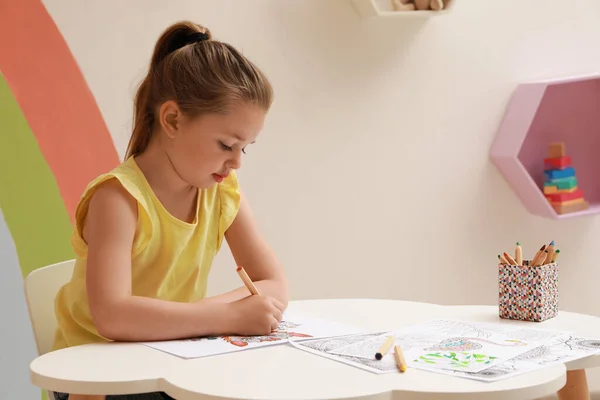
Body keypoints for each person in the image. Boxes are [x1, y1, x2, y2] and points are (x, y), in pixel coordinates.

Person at [51, 20, 288, 400]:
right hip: (97, 378)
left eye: (244, 148)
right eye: (227, 144)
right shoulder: (118, 199)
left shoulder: (221, 194)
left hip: (168, 358)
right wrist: (227, 315)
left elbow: (274, 284)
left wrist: (194, 316)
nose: (236, 164)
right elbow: (112, 317)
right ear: (173, 119)